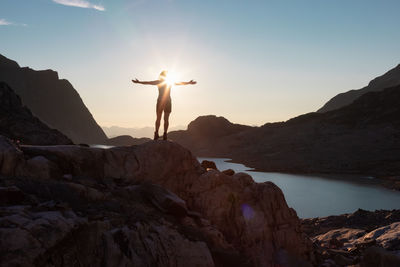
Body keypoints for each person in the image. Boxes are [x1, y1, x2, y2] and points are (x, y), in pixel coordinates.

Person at [132, 70, 196, 140]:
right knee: (165, 119)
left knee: (160, 118)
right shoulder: (168, 82)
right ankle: (163, 134)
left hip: (161, 102)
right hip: (167, 102)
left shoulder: (159, 82)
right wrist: (189, 83)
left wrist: (139, 82)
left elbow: (148, 82)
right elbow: (179, 83)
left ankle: (157, 133)